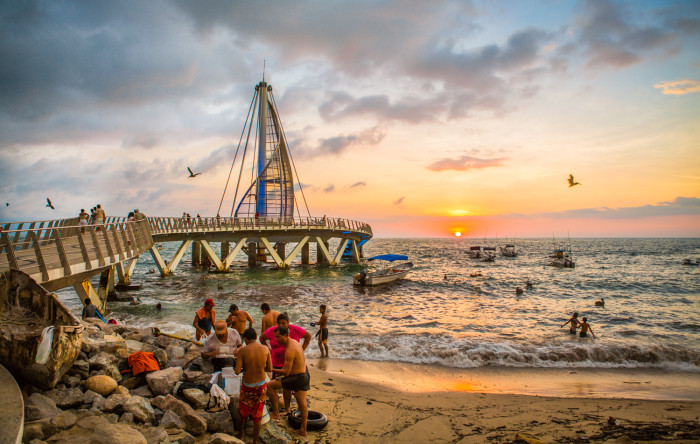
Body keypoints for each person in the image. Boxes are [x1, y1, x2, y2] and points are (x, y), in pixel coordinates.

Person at [259, 313, 312, 417]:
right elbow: (262, 338)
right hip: (277, 363)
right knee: (281, 386)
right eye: (279, 323)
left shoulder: (293, 335)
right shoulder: (274, 331)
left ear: (288, 323)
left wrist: (301, 350)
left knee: (286, 388)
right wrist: (268, 348)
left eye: (284, 323)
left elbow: (308, 336)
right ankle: (281, 409)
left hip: (292, 368)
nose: (281, 325)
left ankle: (285, 410)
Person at [267, 326, 310, 436]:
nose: (276, 339)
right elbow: (288, 370)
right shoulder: (294, 342)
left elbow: (286, 372)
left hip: (297, 378)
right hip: (304, 374)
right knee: (302, 403)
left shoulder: (290, 349)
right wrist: (281, 373)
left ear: (285, 336)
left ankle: (276, 413)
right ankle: (303, 429)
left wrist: (270, 369)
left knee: (270, 386)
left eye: (278, 337)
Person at [235, 328, 272, 444]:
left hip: (248, 386)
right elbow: (269, 369)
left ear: (245, 338)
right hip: (261, 386)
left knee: (242, 412)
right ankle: (255, 441)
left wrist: (244, 366)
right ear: (255, 337)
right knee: (258, 415)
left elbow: (236, 371)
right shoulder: (265, 349)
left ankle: (241, 435)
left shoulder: (243, 351)